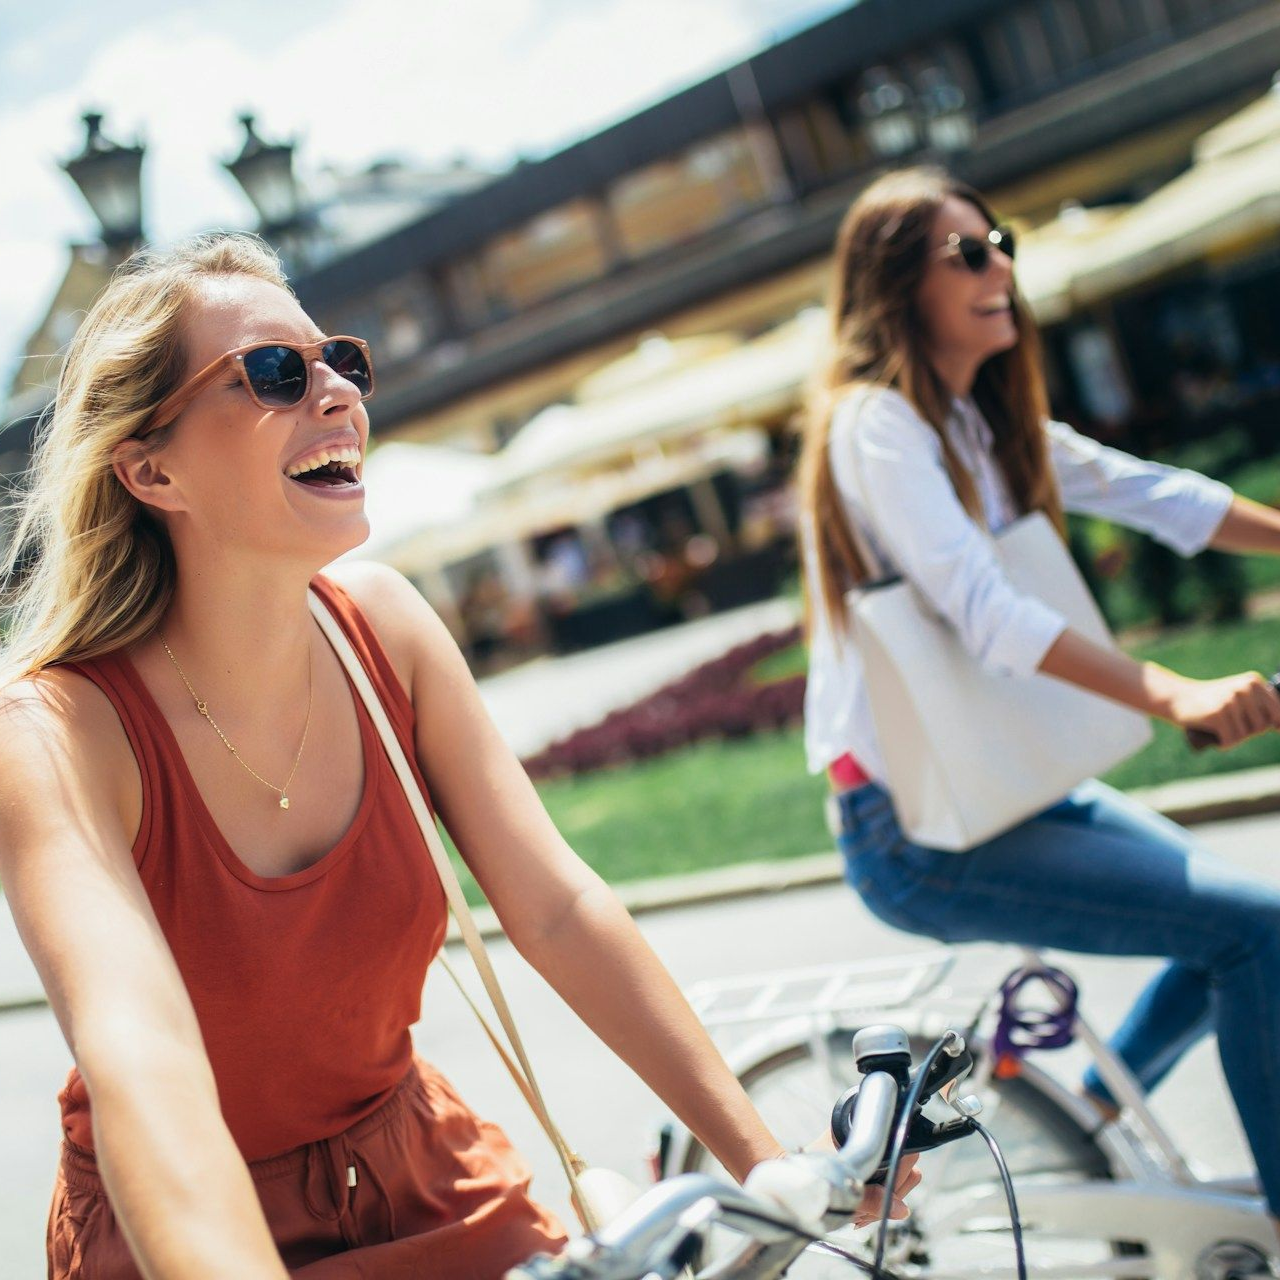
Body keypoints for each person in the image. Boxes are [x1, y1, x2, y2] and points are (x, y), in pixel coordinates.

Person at [0, 234, 916, 1280]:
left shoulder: (383, 626)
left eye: (340, 358)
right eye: (274, 372)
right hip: (185, 1229)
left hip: (428, 1186)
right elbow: (141, 1063)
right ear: (152, 467)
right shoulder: (57, 731)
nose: (338, 391)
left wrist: (765, 1163)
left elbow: (556, 908)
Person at [796, 166, 1280, 1229]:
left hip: (1009, 786)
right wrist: (1175, 691)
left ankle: (1085, 1118)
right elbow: (987, 613)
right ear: (893, 286)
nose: (998, 265)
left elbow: (1154, 493)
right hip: (917, 828)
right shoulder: (874, 426)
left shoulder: (974, 423)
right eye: (965, 251)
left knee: (1245, 931)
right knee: (1256, 932)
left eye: (999, 241)